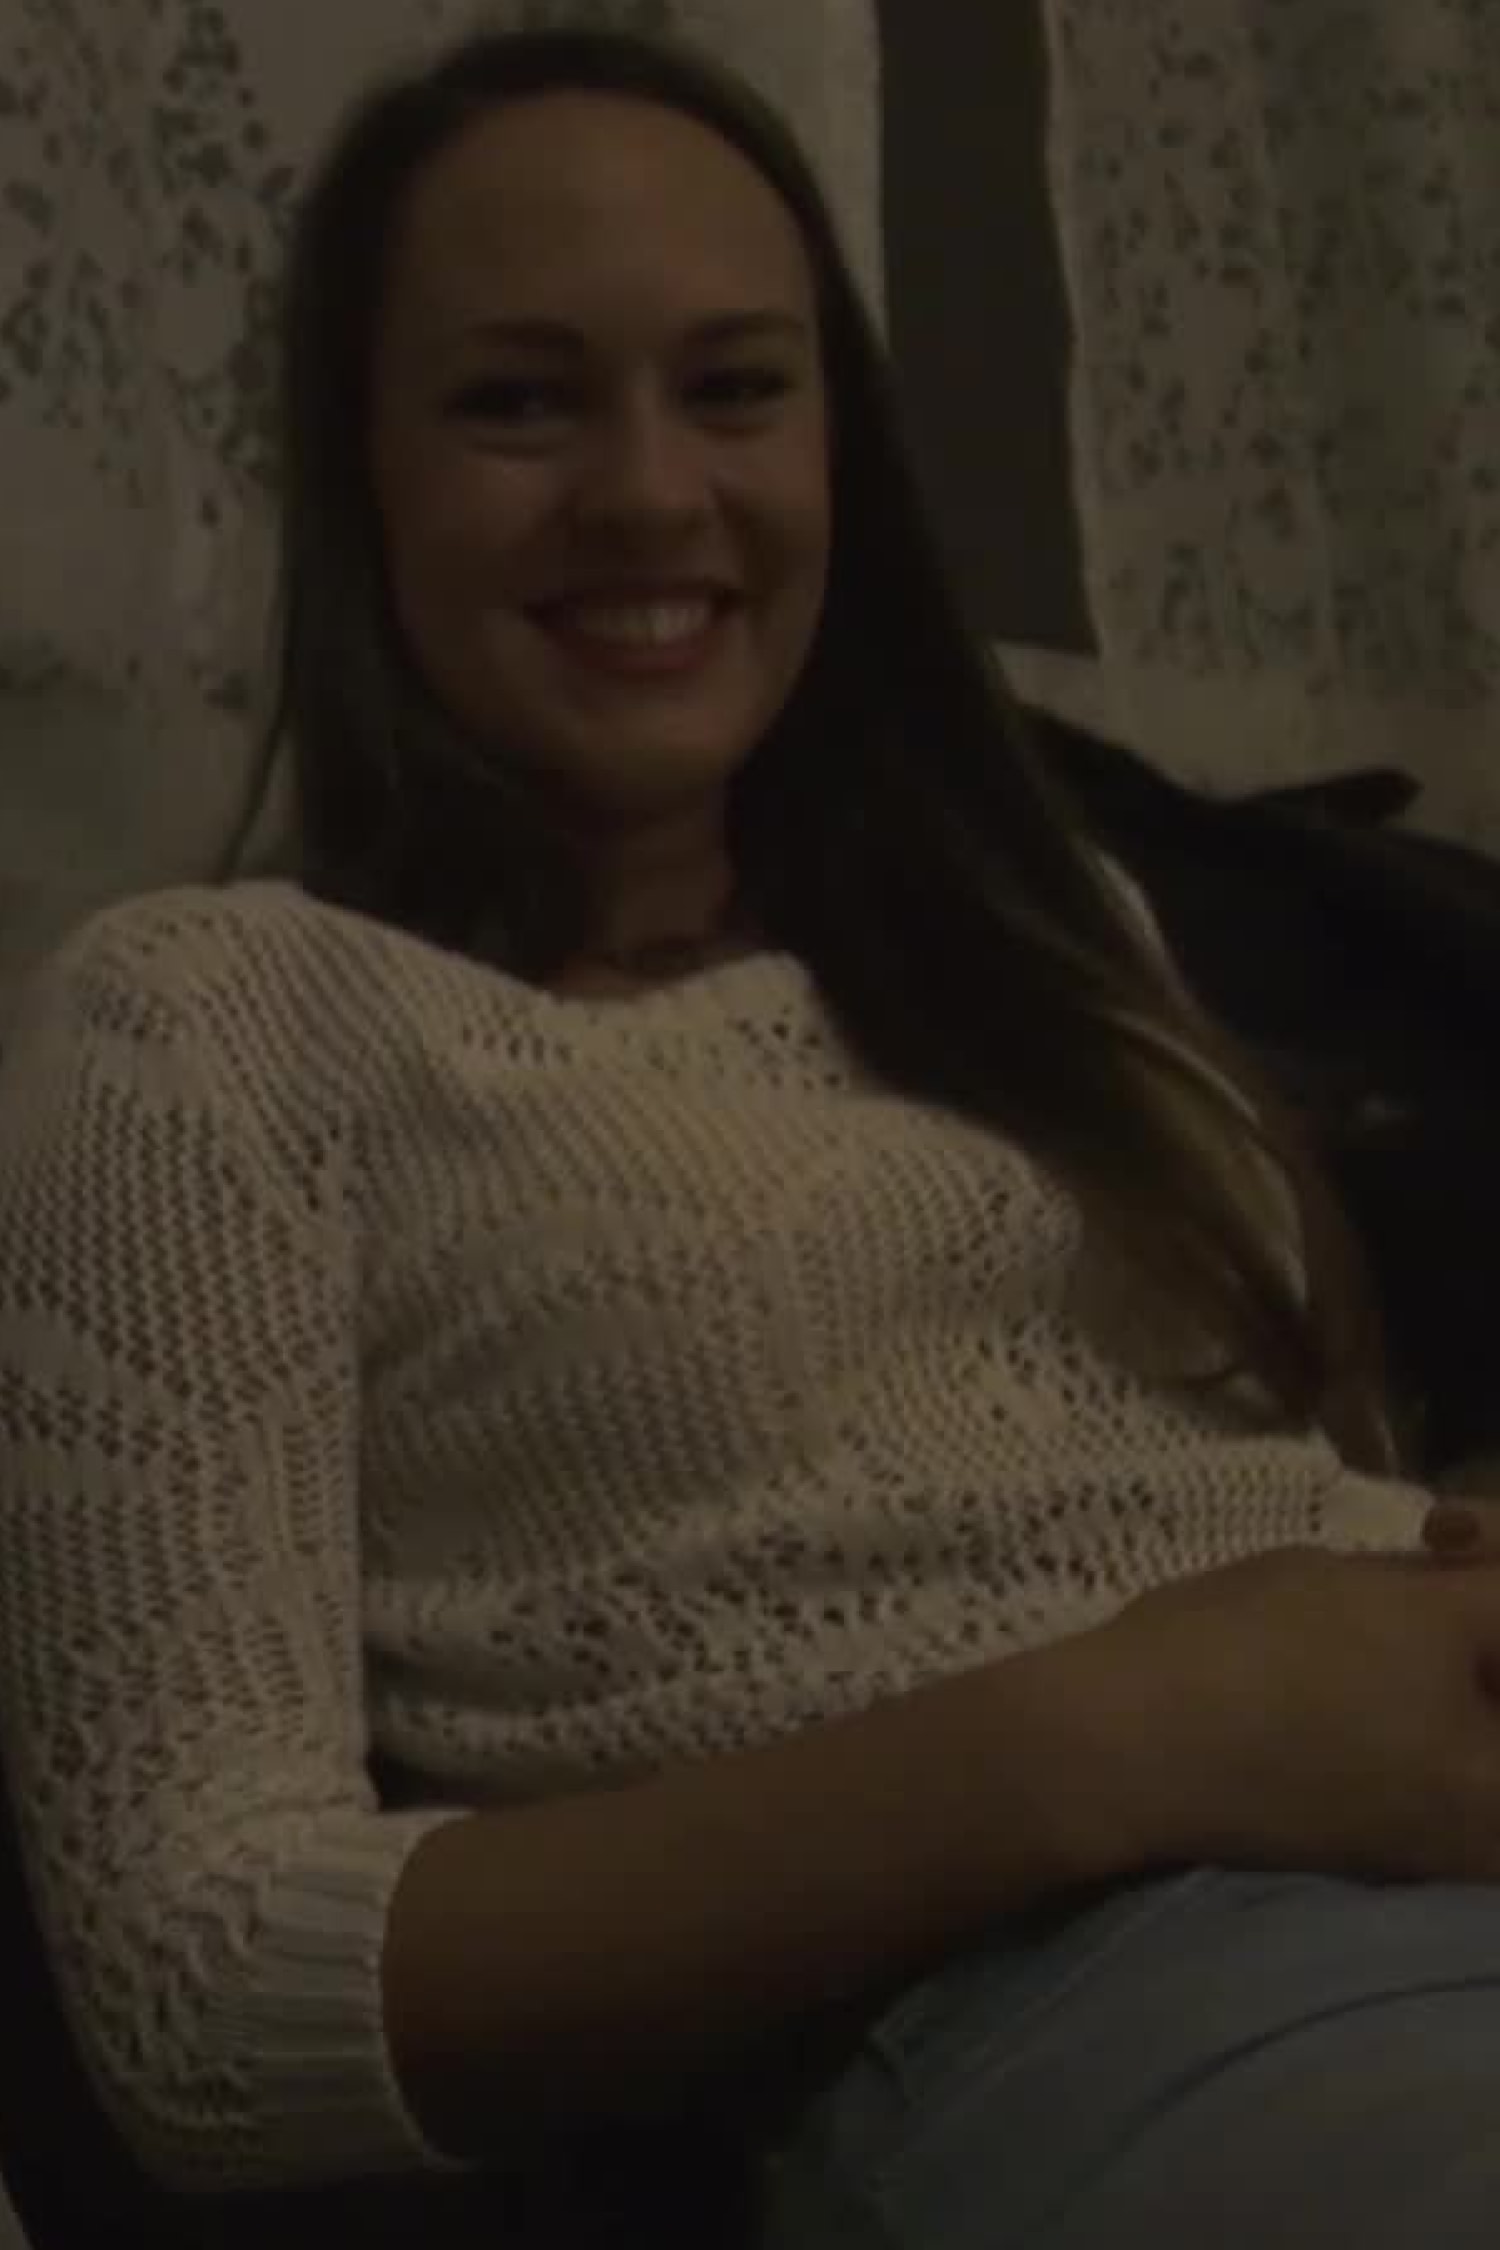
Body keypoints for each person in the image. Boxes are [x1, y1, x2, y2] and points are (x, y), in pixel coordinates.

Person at [2, 22, 1500, 2248]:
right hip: (1116, 1987)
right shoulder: (212, 1021)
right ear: (360, 472)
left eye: (733, 388)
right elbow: (203, 2000)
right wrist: (1133, 1726)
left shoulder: (1049, 927)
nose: (649, 492)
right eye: (519, 402)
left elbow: (1284, 1476)